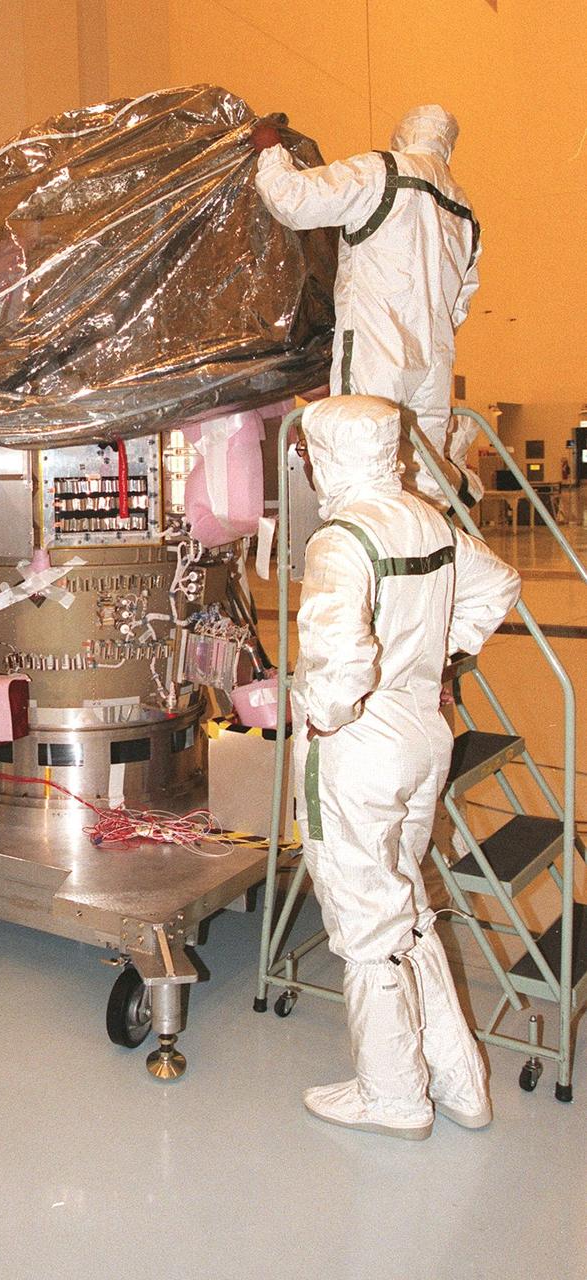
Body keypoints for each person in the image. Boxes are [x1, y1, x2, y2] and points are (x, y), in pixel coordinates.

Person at [292, 395, 520, 1139]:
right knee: (407, 909)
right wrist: (443, 654)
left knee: (366, 922)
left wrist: (325, 717)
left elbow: (338, 662)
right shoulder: (428, 519)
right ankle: (461, 1083)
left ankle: (392, 1097)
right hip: (424, 735)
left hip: (360, 748)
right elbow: (497, 584)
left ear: (329, 457)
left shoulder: (340, 541)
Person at [252, 106, 480, 507]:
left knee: (357, 458)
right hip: (434, 359)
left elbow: (292, 200)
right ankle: (423, 539)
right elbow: (460, 304)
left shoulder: (382, 172)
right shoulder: (463, 210)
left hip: (377, 347)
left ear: (403, 135)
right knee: (422, 475)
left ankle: (360, 544)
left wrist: (269, 150)